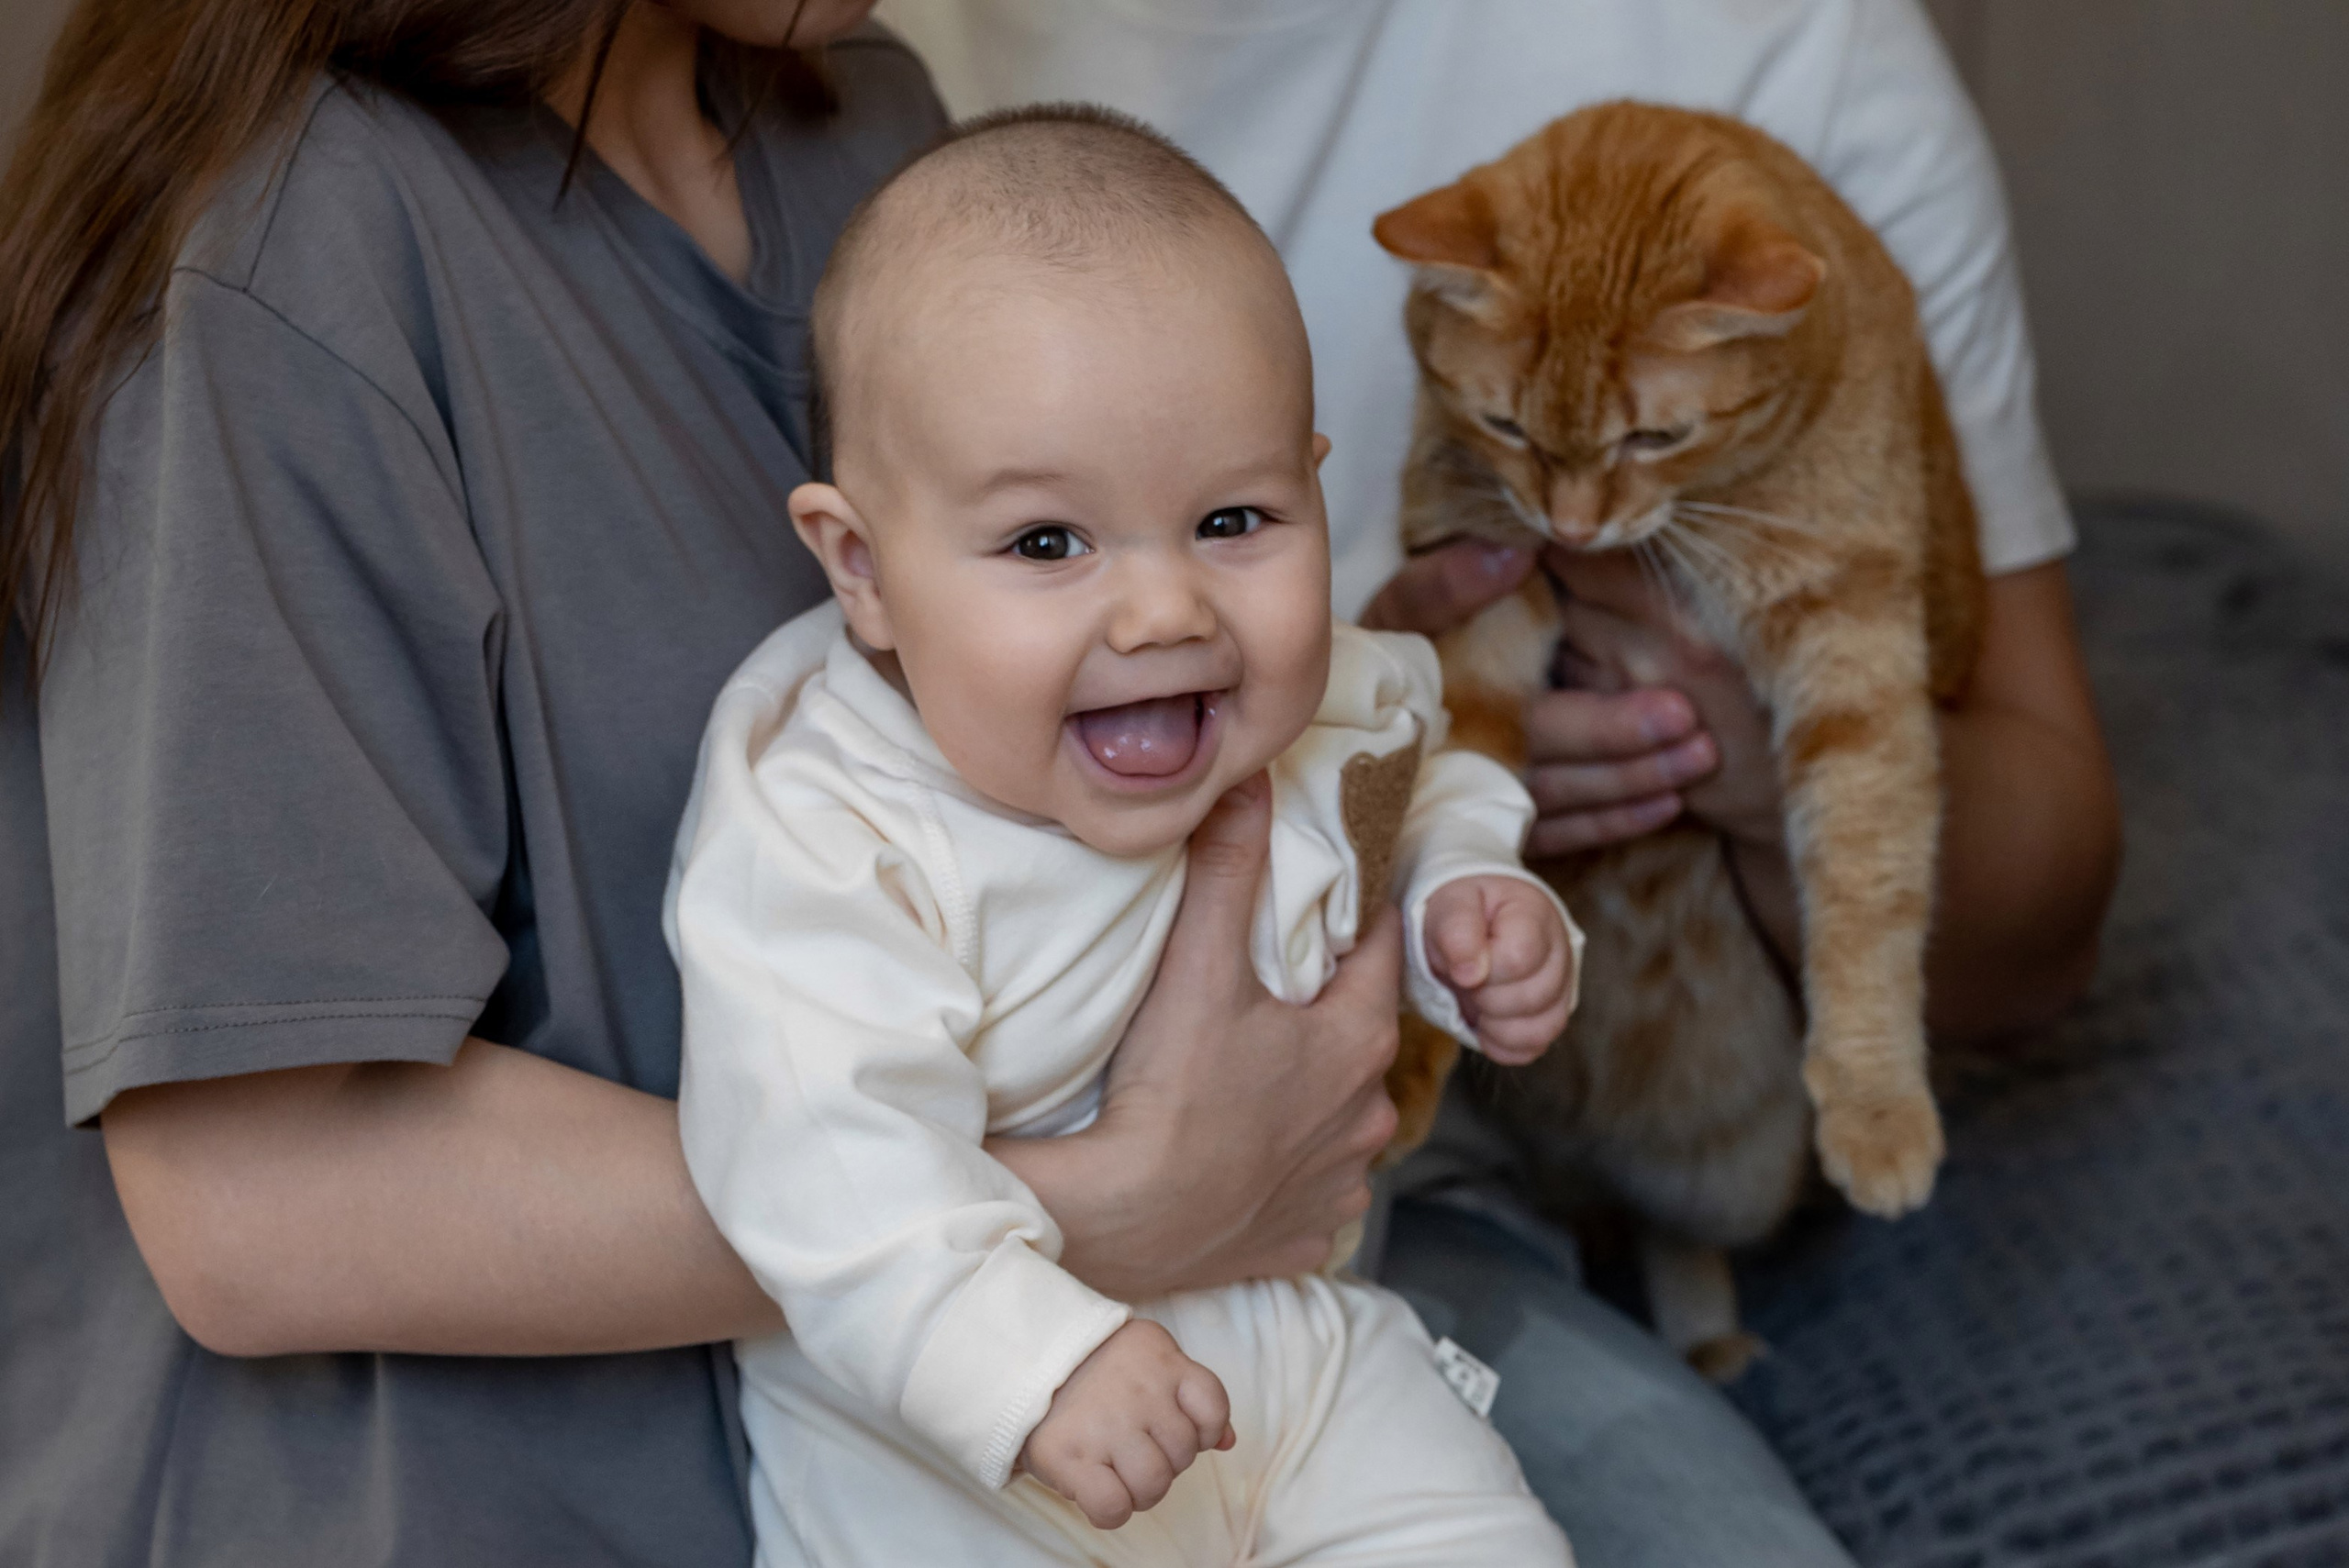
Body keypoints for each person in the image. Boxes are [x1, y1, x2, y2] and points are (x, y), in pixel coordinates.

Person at [0, 4, 1393, 1563]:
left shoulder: (864, 123)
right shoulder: (284, 255)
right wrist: (1108, 1201)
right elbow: (253, 1200)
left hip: (975, 1462)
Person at [874, 1, 2124, 1563]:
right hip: (1038, 1133)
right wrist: (1352, 713)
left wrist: (1747, 767)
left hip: (1445, 1166)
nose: (1577, 516)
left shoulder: (1806, 41)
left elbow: (2046, 933)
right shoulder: (863, 62)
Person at [667, 106, 1579, 1564]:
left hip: (1302, 1361)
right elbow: (818, 1153)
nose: (1165, 611)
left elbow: (1415, 779)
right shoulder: (831, 818)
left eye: (1233, 519)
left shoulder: (1318, 698)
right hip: (954, 1450)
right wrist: (1031, 1359)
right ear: (863, 567)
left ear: (1313, 482)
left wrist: (1468, 895)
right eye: (1048, 542)